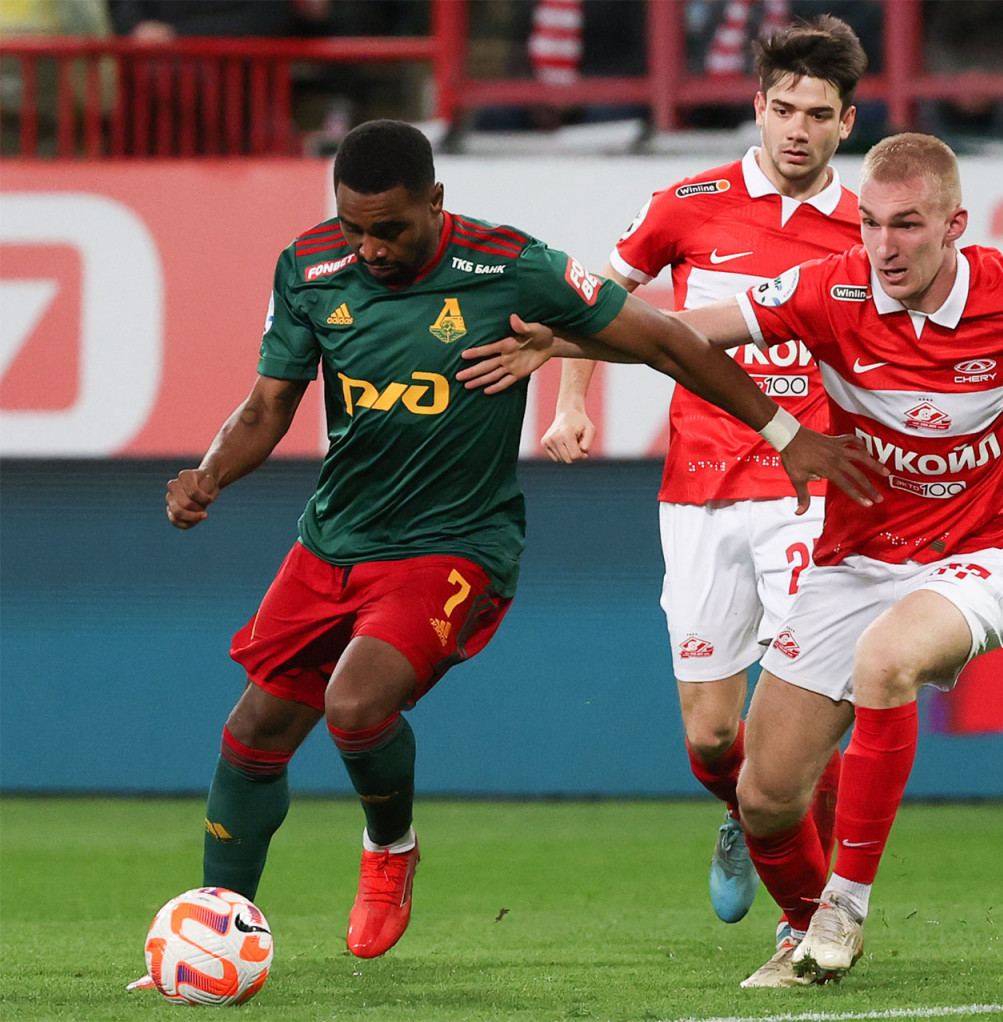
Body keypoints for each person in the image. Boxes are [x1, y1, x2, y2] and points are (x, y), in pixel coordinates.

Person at [456, 131, 1003, 988]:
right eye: (870, 222)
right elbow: (690, 330)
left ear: (955, 226)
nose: (882, 245)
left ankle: (844, 907)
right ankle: (806, 936)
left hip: (977, 561)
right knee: (762, 797)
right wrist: (561, 344)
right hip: (853, 561)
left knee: (888, 660)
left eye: (906, 225)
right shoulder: (830, 289)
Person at [129, 118, 884, 990]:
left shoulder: (510, 266)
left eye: (391, 228)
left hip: (454, 545)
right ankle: (208, 934)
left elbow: (667, 339)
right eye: (354, 228)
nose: (370, 248)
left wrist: (784, 431)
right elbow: (268, 406)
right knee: (250, 735)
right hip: (334, 540)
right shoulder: (308, 266)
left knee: (354, 704)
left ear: (436, 203)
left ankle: (389, 847)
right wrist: (211, 473)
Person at [537, 14, 867, 928]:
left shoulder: (869, 228)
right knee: (713, 736)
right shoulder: (687, 203)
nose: (798, 128)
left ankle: (821, 911)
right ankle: (741, 815)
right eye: (785, 108)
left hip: (810, 492)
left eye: (820, 113)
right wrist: (572, 404)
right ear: (757, 107)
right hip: (698, 492)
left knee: (806, 718)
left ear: (848, 123)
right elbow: (600, 305)